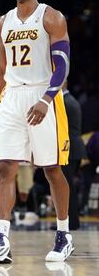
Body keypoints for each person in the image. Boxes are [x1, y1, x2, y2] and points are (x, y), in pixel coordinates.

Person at [0, 0, 74, 263]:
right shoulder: (1, 23)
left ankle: (64, 235)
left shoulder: (51, 16)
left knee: (52, 168)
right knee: (5, 168)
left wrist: (47, 98)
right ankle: (2, 240)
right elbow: (2, 70)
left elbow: (63, 64)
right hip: (12, 98)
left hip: (43, 94)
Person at [62, 82, 86, 230]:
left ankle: (70, 222)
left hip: (69, 148)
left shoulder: (65, 102)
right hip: (75, 147)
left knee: (65, 186)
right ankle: (73, 222)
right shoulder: (72, 100)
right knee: (68, 186)